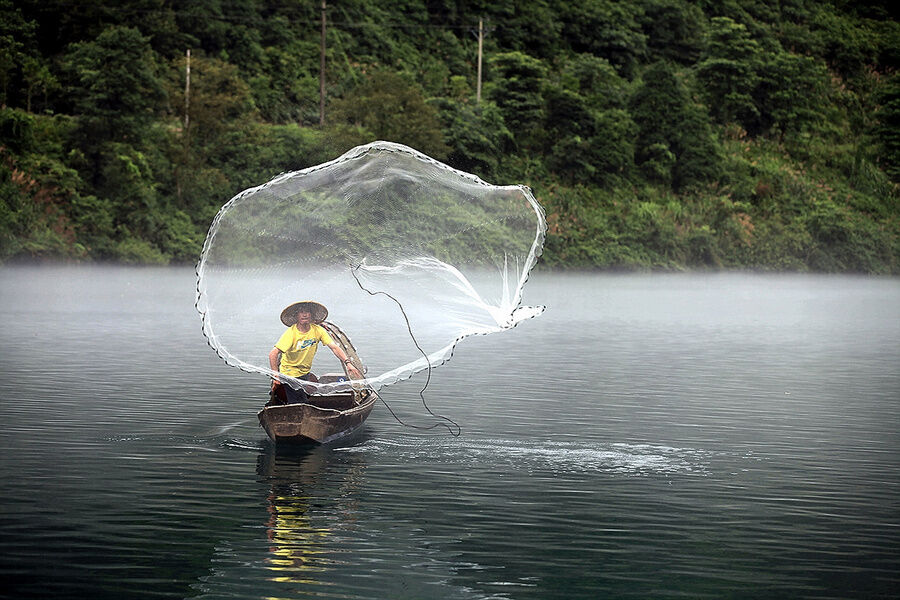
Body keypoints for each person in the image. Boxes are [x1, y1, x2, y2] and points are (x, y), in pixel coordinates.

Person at [269, 301, 361, 404]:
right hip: (289, 374)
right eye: (301, 312)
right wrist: (276, 377)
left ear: (311, 315)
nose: (304, 314)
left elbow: (334, 347)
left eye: (307, 312)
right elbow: (273, 353)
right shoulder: (291, 333)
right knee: (296, 404)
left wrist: (347, 362)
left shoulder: (317, 330)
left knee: (303, 401)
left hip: (304, 374)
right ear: (297, 316)